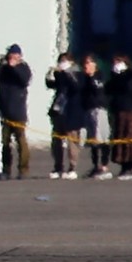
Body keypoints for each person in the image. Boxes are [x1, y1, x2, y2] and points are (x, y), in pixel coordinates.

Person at [0, 44, 33, 179]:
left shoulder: (23, 68)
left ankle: (23, 169)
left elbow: (24, 80)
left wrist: (14, 67)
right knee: (5, 143)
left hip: (18, 111)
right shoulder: (3, 69)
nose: (12, 58)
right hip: (4, 111)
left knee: (21, 141)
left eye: (15, 55)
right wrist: (2, 66)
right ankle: (6, 169)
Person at [46, 51, 83, 179]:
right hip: (59, 110)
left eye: (65, 61)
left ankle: (72, 167)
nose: (62, 64)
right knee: (56, 140)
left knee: (72, 141)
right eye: (61, 61)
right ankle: (58, 166)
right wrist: (50, 75)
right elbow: (53, 85)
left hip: (72, 111)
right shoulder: (60, 75)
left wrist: (66, 74)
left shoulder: (77, 74)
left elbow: (75, 87)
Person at [109, 56, 132, 180]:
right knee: (119, 138)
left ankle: (129, 167)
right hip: (118, 110)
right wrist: (114, 76)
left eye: (118, 62)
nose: (116, 65)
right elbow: (109, 89)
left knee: (130, 137)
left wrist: (120, 76)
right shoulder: (115, 77)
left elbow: (129, 88)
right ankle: (122, 166)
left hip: (129, 110)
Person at [79, 54, 110, 179]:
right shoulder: (84, 78)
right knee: (92, 140)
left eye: (88, 63)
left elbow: (98, 90)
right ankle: (95, 165)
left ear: (94, 64)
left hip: (98, 109)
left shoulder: (99, 76)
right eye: (84, 64)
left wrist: (91, 77)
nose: (85, 66)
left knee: (101, 138)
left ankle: (104, 166)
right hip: (88, 109)